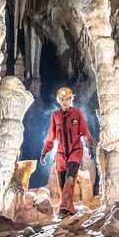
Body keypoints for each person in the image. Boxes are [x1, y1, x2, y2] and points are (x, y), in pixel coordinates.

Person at [40, 86, 94, 218]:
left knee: (70, 179)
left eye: (67, 99)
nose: (65, 101)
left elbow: (85, 131)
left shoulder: (77, 114)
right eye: (62, 99)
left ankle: (63, 209)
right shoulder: (55, 116)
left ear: (71, 100)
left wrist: (90, 145)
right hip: (61, 154)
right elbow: (51, 135)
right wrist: (45, 151)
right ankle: (70, 209)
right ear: (59, 100)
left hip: (75, 151)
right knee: (63, 184)